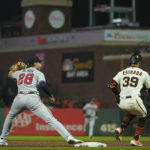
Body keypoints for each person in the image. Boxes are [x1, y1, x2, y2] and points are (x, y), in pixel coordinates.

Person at [0, 55, 83, 146]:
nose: (40, 64)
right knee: (51, 119)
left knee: (10, 116)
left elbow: (10, 74)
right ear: (35, 63)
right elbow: (43, 85)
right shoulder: (38, 73)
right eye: (39, 62)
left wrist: (15, 67)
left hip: (19, 98)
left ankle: (2, 139)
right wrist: (50, 95)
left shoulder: (19, 72)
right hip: (32, 98)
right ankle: (69, 137)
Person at [108, 53, 150, 146]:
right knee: (143, 115)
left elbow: (112, 85)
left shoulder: (121, 72)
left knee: (132, 112)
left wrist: (117, 95)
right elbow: (149, 89)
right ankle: (135, 140)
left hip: (121, 102)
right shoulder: (144, 73)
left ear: (130, 62)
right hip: (134, 100)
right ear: (139, 62)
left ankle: (121, 129)